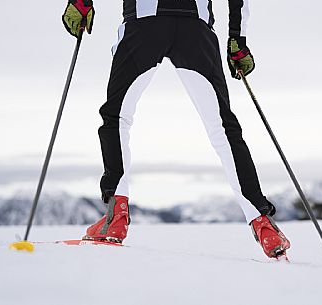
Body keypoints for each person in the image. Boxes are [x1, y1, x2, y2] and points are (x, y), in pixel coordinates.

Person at [62, 0, 290, 258]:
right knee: (223, 128)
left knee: (117, 116)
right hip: (196, 26)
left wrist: (81, 3)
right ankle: (262, 223)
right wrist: (238, 39)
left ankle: (116, 215)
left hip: (145, 20)